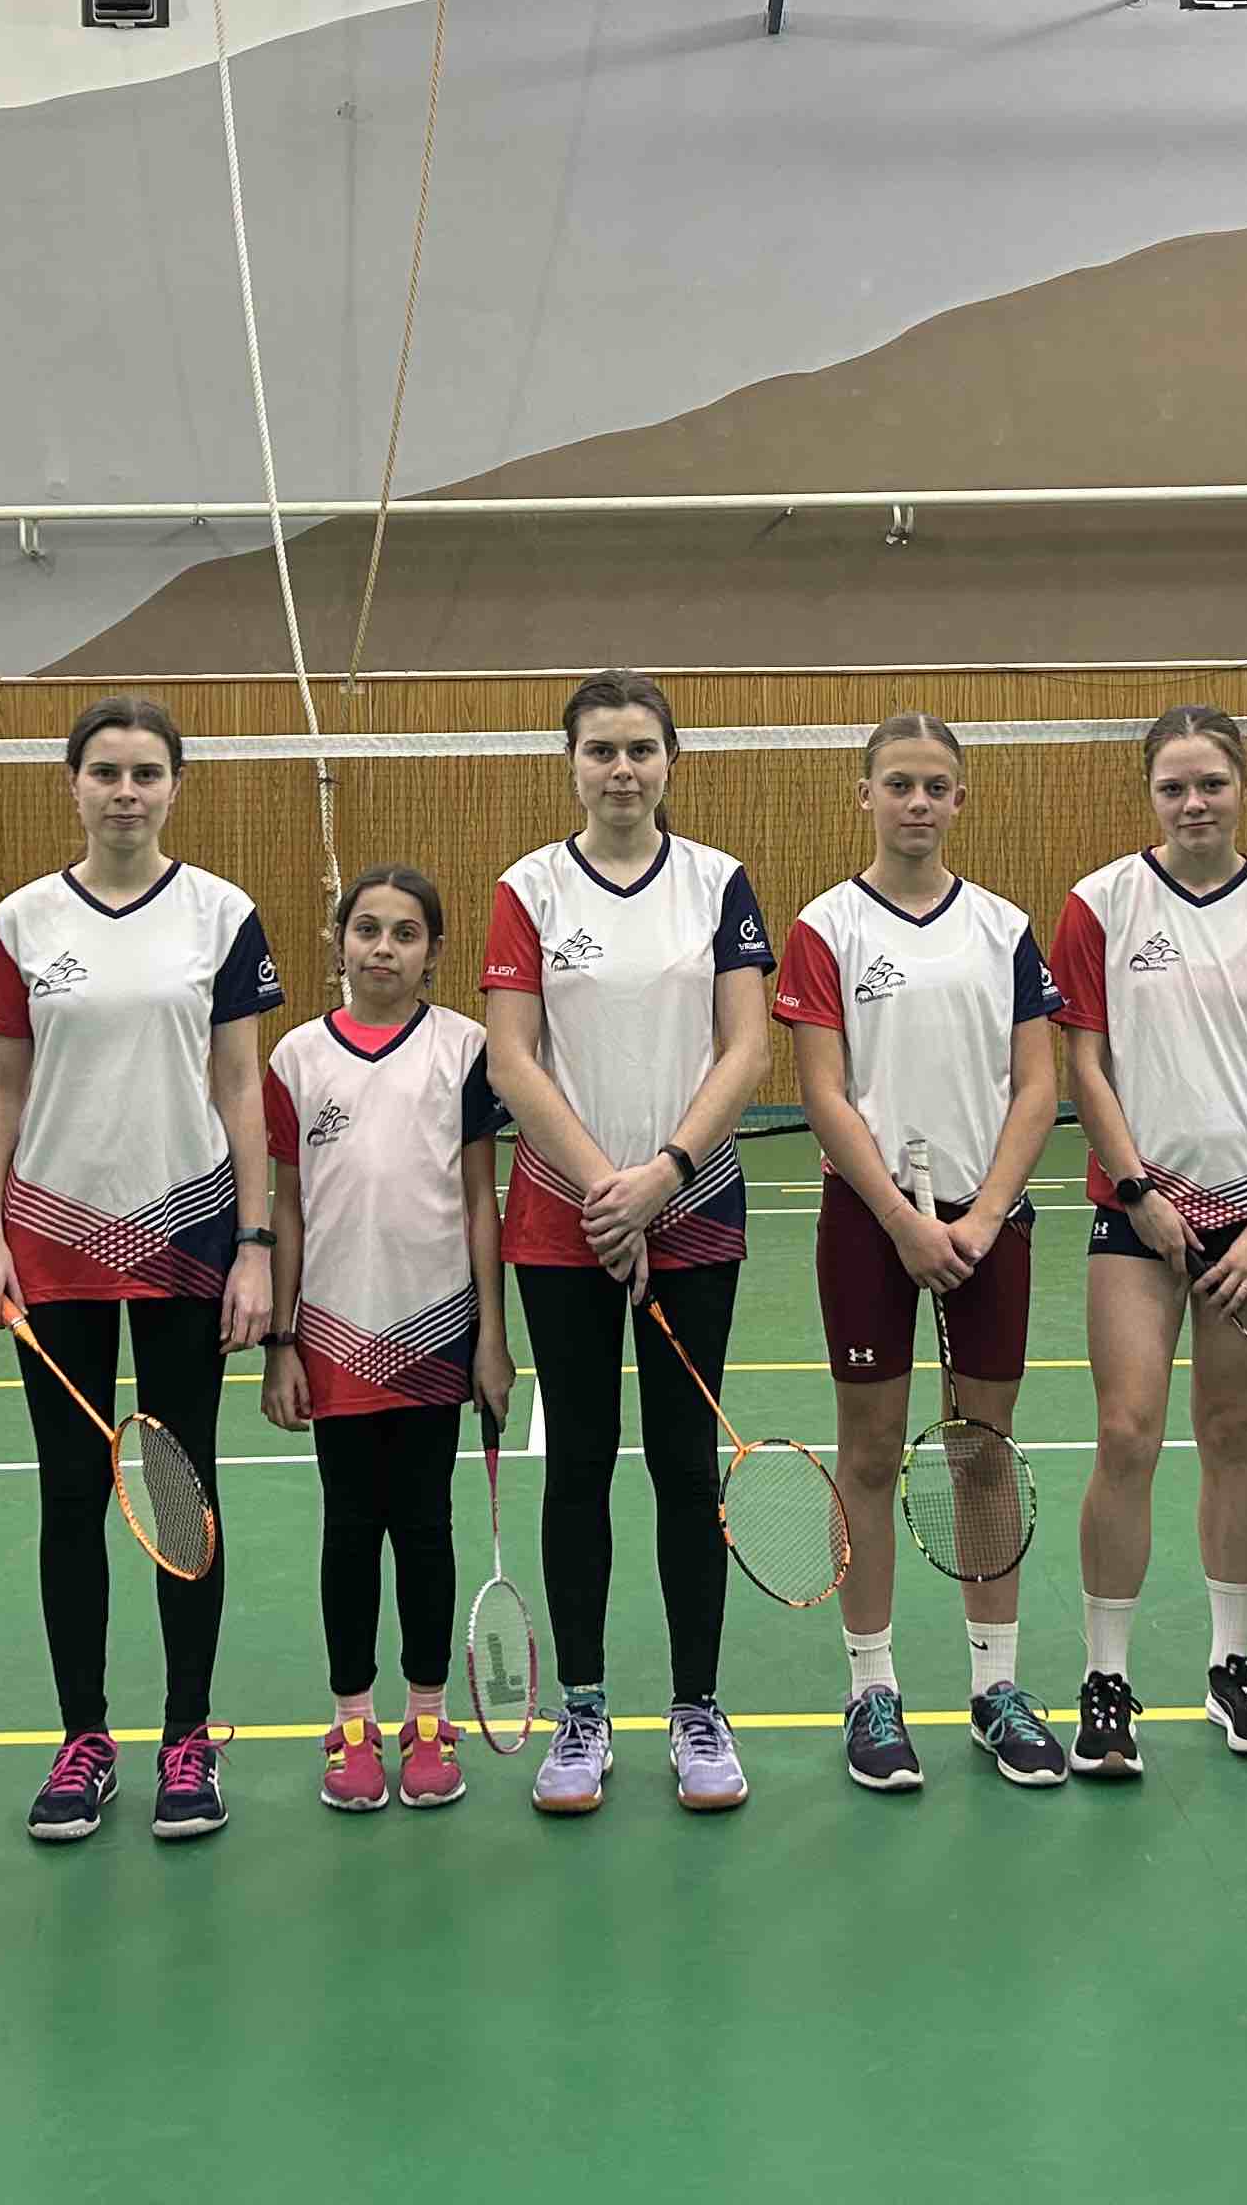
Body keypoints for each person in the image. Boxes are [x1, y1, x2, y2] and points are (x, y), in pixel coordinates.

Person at [0, 697, 284, 1842]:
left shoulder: (220, 914)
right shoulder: (22, 918)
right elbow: (1, 1084)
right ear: (74, 783)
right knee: (70, 1493)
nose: (127, 791)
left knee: (183, 1493)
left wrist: (257, 1243)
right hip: (52, 1239)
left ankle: (187, 1737)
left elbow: (241, 1084)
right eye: (106, 771)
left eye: (147, 772)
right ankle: (83, 1739)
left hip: (188, 1232)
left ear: (175, 786)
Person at [482, 668, 775, 1817]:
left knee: (685, 1464)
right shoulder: (529, 888)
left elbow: (746, 1047)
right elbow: (513, 1057)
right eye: (600, 750)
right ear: (571, 763)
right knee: (581, 1461)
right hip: (565, 1218)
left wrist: (661, 1179)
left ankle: (698, 1707)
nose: (621, 769)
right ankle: (584, 1708)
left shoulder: (716, 882)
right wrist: (606, 1193)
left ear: (669, 762)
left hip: (692, 1207)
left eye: (640, 749)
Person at [1052, 703, 1247, 1778]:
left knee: (1231, 1431)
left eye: (1211, 783)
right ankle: (1106, 1677)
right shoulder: (1100, 904)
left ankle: (1233, 1664)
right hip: (1138, 1214)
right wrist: (1137, 1188)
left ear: (1242, 786)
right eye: (1173, 787)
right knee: (1126, 1433)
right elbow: (1084, 1063)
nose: (1193, 804)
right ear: (1150, 795)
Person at [776, 712, 1069, 1792]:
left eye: (935, 786)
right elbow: (822, 1092)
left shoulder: (1003, 928)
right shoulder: (826, 927)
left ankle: (996, 1687)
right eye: (897, 783)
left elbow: (1037, 1086)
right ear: (864, 795)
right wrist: (903, 1222)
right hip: (871, 1220)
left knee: (982, 1450)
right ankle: (872, 1689)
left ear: (959, 800)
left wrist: (983, 1217)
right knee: (869, 1448)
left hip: (988, 1217)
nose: (916, 802)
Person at [258, 866, 515, 1817]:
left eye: (406, 934)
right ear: (339, 942)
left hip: (435, 1327)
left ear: (434, 952)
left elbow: (482, 1201)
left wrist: (492, 1336)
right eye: (366, 929)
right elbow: (287, 1206)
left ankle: (428, 1719)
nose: (383, 948)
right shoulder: (296, 1058)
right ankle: (353, 1723)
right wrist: (281, 1340)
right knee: (349, 1527)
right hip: (333, 1332)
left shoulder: (466, 1049)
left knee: (426, 1525)